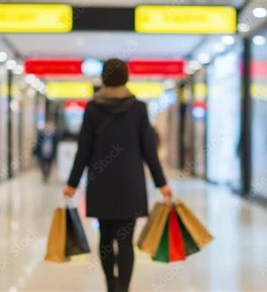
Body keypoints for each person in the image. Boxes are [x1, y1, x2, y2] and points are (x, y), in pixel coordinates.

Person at [63, 58, 172, 292]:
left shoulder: (93, 108)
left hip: (101, 183)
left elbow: (84, 149)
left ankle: (111, 285)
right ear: (126, 78)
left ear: (103, 78)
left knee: (105, 237)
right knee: (125, 239)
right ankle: (124, 287)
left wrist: (72, 182)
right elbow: (148, 150)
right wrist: (161, 183)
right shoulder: (138, 108)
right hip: (130, 183)